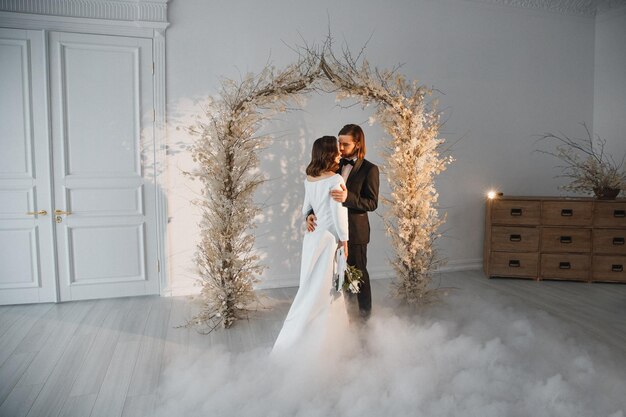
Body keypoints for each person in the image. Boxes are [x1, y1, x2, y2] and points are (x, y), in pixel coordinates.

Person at [272, 136, 349, 355]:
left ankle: (299, 336)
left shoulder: (310, 178)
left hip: (312, 239)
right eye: (336, 149)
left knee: (309, 287)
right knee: (325, 289)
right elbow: (339, 215)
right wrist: (344, 241)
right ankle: (324, 344)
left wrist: (308, 217)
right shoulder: (335, 180)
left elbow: (306, 207)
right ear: (328, 153)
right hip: (328, 239)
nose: (340, 153)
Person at [306, 124, 379, 320]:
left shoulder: (370, 169)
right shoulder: (333, 163)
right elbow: (319, 194)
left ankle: (365, 318)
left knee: (358, 275)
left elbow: (372, 203)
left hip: (355, 232)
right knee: (338, 275)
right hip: (330, 232)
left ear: (357, 144)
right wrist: (309, 214)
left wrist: (346, 197)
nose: (339, 147)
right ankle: (346, 317)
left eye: (345, 144)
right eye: (339, 142)